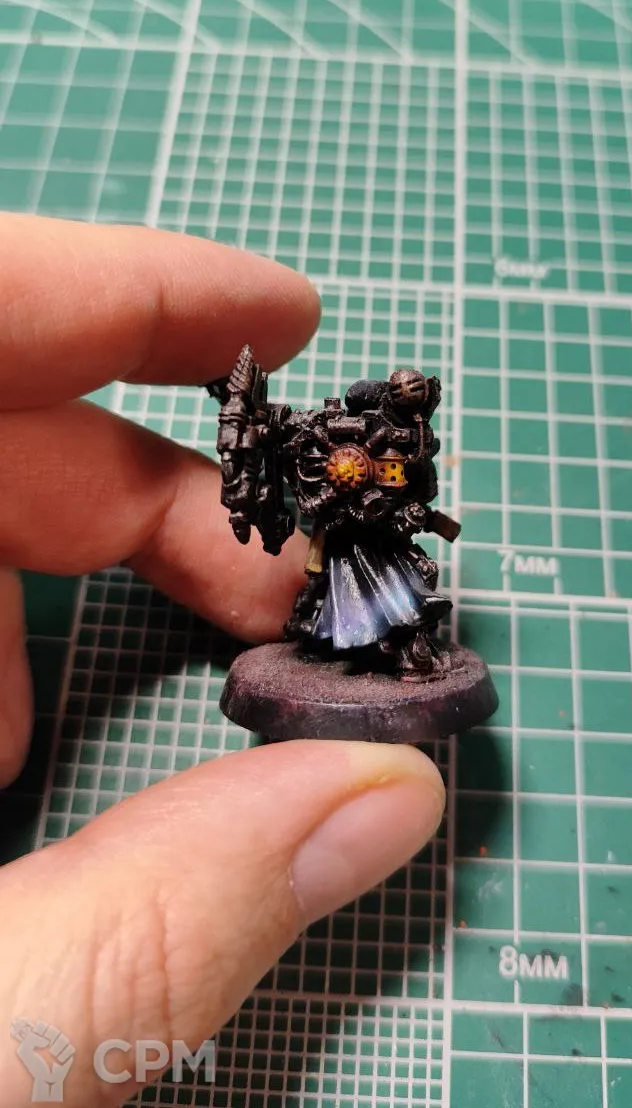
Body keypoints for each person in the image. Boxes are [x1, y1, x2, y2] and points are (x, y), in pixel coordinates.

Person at [0, 214, 445, 1106]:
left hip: (378, 549)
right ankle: (389, 641)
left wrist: (379, 489)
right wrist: (255, 428)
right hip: (340, 555)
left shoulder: (398, 449)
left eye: (402, 408)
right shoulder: (331, 443)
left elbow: (407, 486)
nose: (391, 416)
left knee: (396, 606)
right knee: (337, 607)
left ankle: (406, 648)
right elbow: (289, 467)